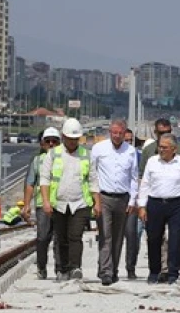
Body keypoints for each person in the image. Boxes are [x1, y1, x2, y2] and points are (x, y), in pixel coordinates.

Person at [40, 118, 99, 281]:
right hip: (58, 203)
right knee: (61, 238)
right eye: (70, 139)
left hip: (80, 203)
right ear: (63, 137)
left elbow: (94, 180)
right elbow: (44, 180)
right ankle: (62, 268)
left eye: (76, 139)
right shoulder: (53, 154)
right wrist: (46, 201)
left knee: (75, 236)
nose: (73, 142)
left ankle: (75, 267)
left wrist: (97, 203)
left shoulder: (86, 155)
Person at [138, 134, 180, 285]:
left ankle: (173, 273)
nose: (161, 150)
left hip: (177, 204)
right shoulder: (152, 162)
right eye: (160, 147)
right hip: (155, 203)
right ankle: (154, 271)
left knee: (176, 239)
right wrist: (142, 206)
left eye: (165, 147)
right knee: (154, 238)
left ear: (174, 149)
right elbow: (145, 184)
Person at [90, 119, 139, 286]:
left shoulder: (131, 151)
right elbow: (93, 175)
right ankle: (105, 271)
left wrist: (133, 200)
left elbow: (133, 177)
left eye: (120, 133)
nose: (117, 136)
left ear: (124, 133)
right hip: (104, 198)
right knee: (106, 235)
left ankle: (114, 269)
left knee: (118, 237)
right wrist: (95, 200)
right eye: (114, 133)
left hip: (123, 199)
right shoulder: (99, 149)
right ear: (110, 132)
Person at [24, 127, 61, 279]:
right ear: (42, 144)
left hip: (61, 203)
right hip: (42, 204)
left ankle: (60, 268)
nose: (51, 144)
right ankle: (41, 267)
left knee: (60, 238)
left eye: (54, 141)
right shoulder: (37, 161)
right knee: (43, 237)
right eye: (48, 141)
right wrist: (26, 205)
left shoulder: (64, 159)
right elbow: (30, 183)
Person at [122, 128, 144, 279]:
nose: (129, 143)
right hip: (117, 201)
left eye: (131, 141)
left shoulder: (140, 157)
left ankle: (131, 267)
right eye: (126, 140)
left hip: (135, 203)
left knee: (134, 235)